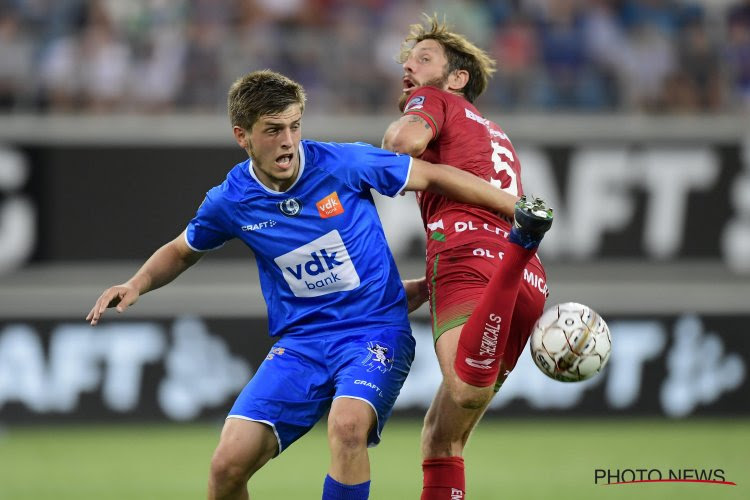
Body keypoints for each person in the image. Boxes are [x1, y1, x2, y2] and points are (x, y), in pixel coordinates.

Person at [85, 69, 525, 500]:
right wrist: (137, 283)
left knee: (347, 425)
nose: (289, 141)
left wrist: (515, 207)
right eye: (273, 129)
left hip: (373, 335)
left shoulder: (343, 163)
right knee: (226, 466)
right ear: (243, 136)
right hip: (301, 345)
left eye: (294, 126)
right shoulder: (231, 200)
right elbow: (183, 249)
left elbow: (435, 176)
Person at [382, 15, 554, 499]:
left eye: (423, 59)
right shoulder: (495, 132)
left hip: (469, 259)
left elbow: (403, 145)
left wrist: (398, 129)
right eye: (407, 61)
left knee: (463, 388)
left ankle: (520, 247)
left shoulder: (435, 100)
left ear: (456, 78)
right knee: (442, 438)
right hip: (527, 284)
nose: (408, 69)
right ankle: (521, 250)